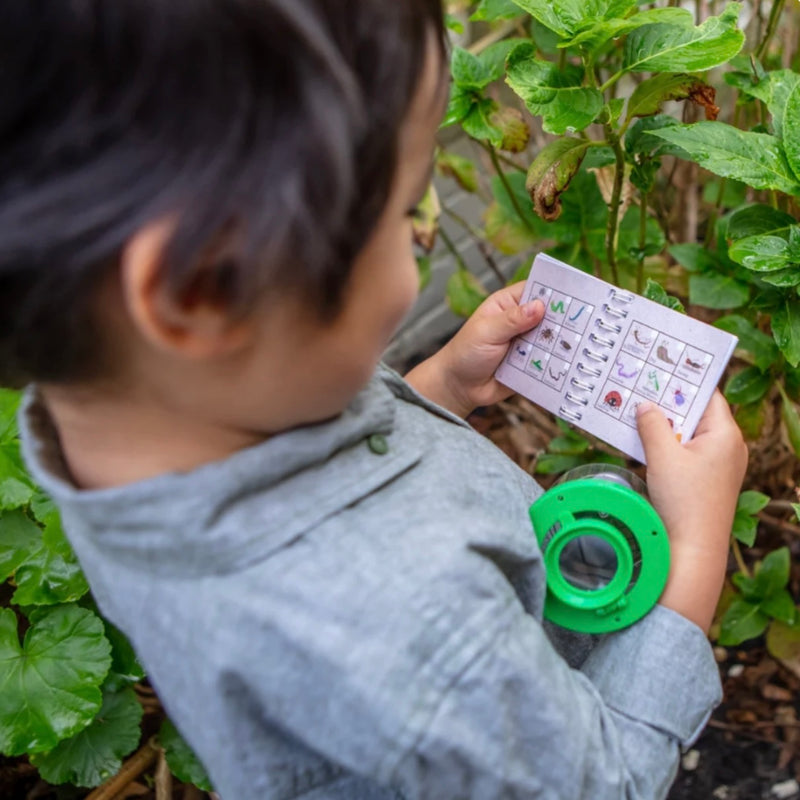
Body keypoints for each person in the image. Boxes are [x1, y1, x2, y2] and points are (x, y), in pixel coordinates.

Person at [4, 1, 748, 798]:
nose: (422, 241)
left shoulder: (120, 417)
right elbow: (603, 783)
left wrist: (439, 388)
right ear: (202, 291)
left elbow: (306, 442)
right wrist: (698, 548)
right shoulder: (410, 633)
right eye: (401, 213)